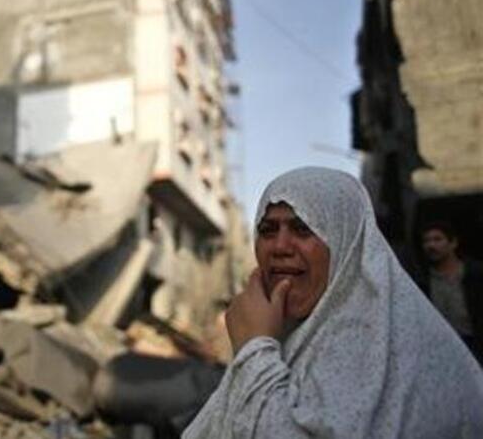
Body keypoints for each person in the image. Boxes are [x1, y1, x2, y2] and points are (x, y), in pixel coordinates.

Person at [183, 167, 483, 439]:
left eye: (303, 228)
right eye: (267, 230)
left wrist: (253, 349)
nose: (280, 246)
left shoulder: (383, 344)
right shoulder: (290, 340)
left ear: (347, 243)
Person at [420, 221, 483, 361]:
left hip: (474, 344)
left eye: (437, 239)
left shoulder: (475, 274)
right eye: (426, 241)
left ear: (453, 243)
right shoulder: (423, 281)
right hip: (443, 348)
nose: (431, 245)